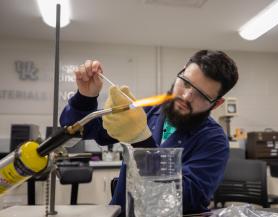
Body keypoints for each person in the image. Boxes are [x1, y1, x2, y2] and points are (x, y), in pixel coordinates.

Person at [60, 50, 238, 216]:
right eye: (186, 83)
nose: (186, 97)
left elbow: (186, 199)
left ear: (216, 104)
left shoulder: (214, 140)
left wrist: (141, 141)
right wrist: (85, 97)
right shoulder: (148, 111)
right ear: (181, 71)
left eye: (202, 95)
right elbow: (81, 130)